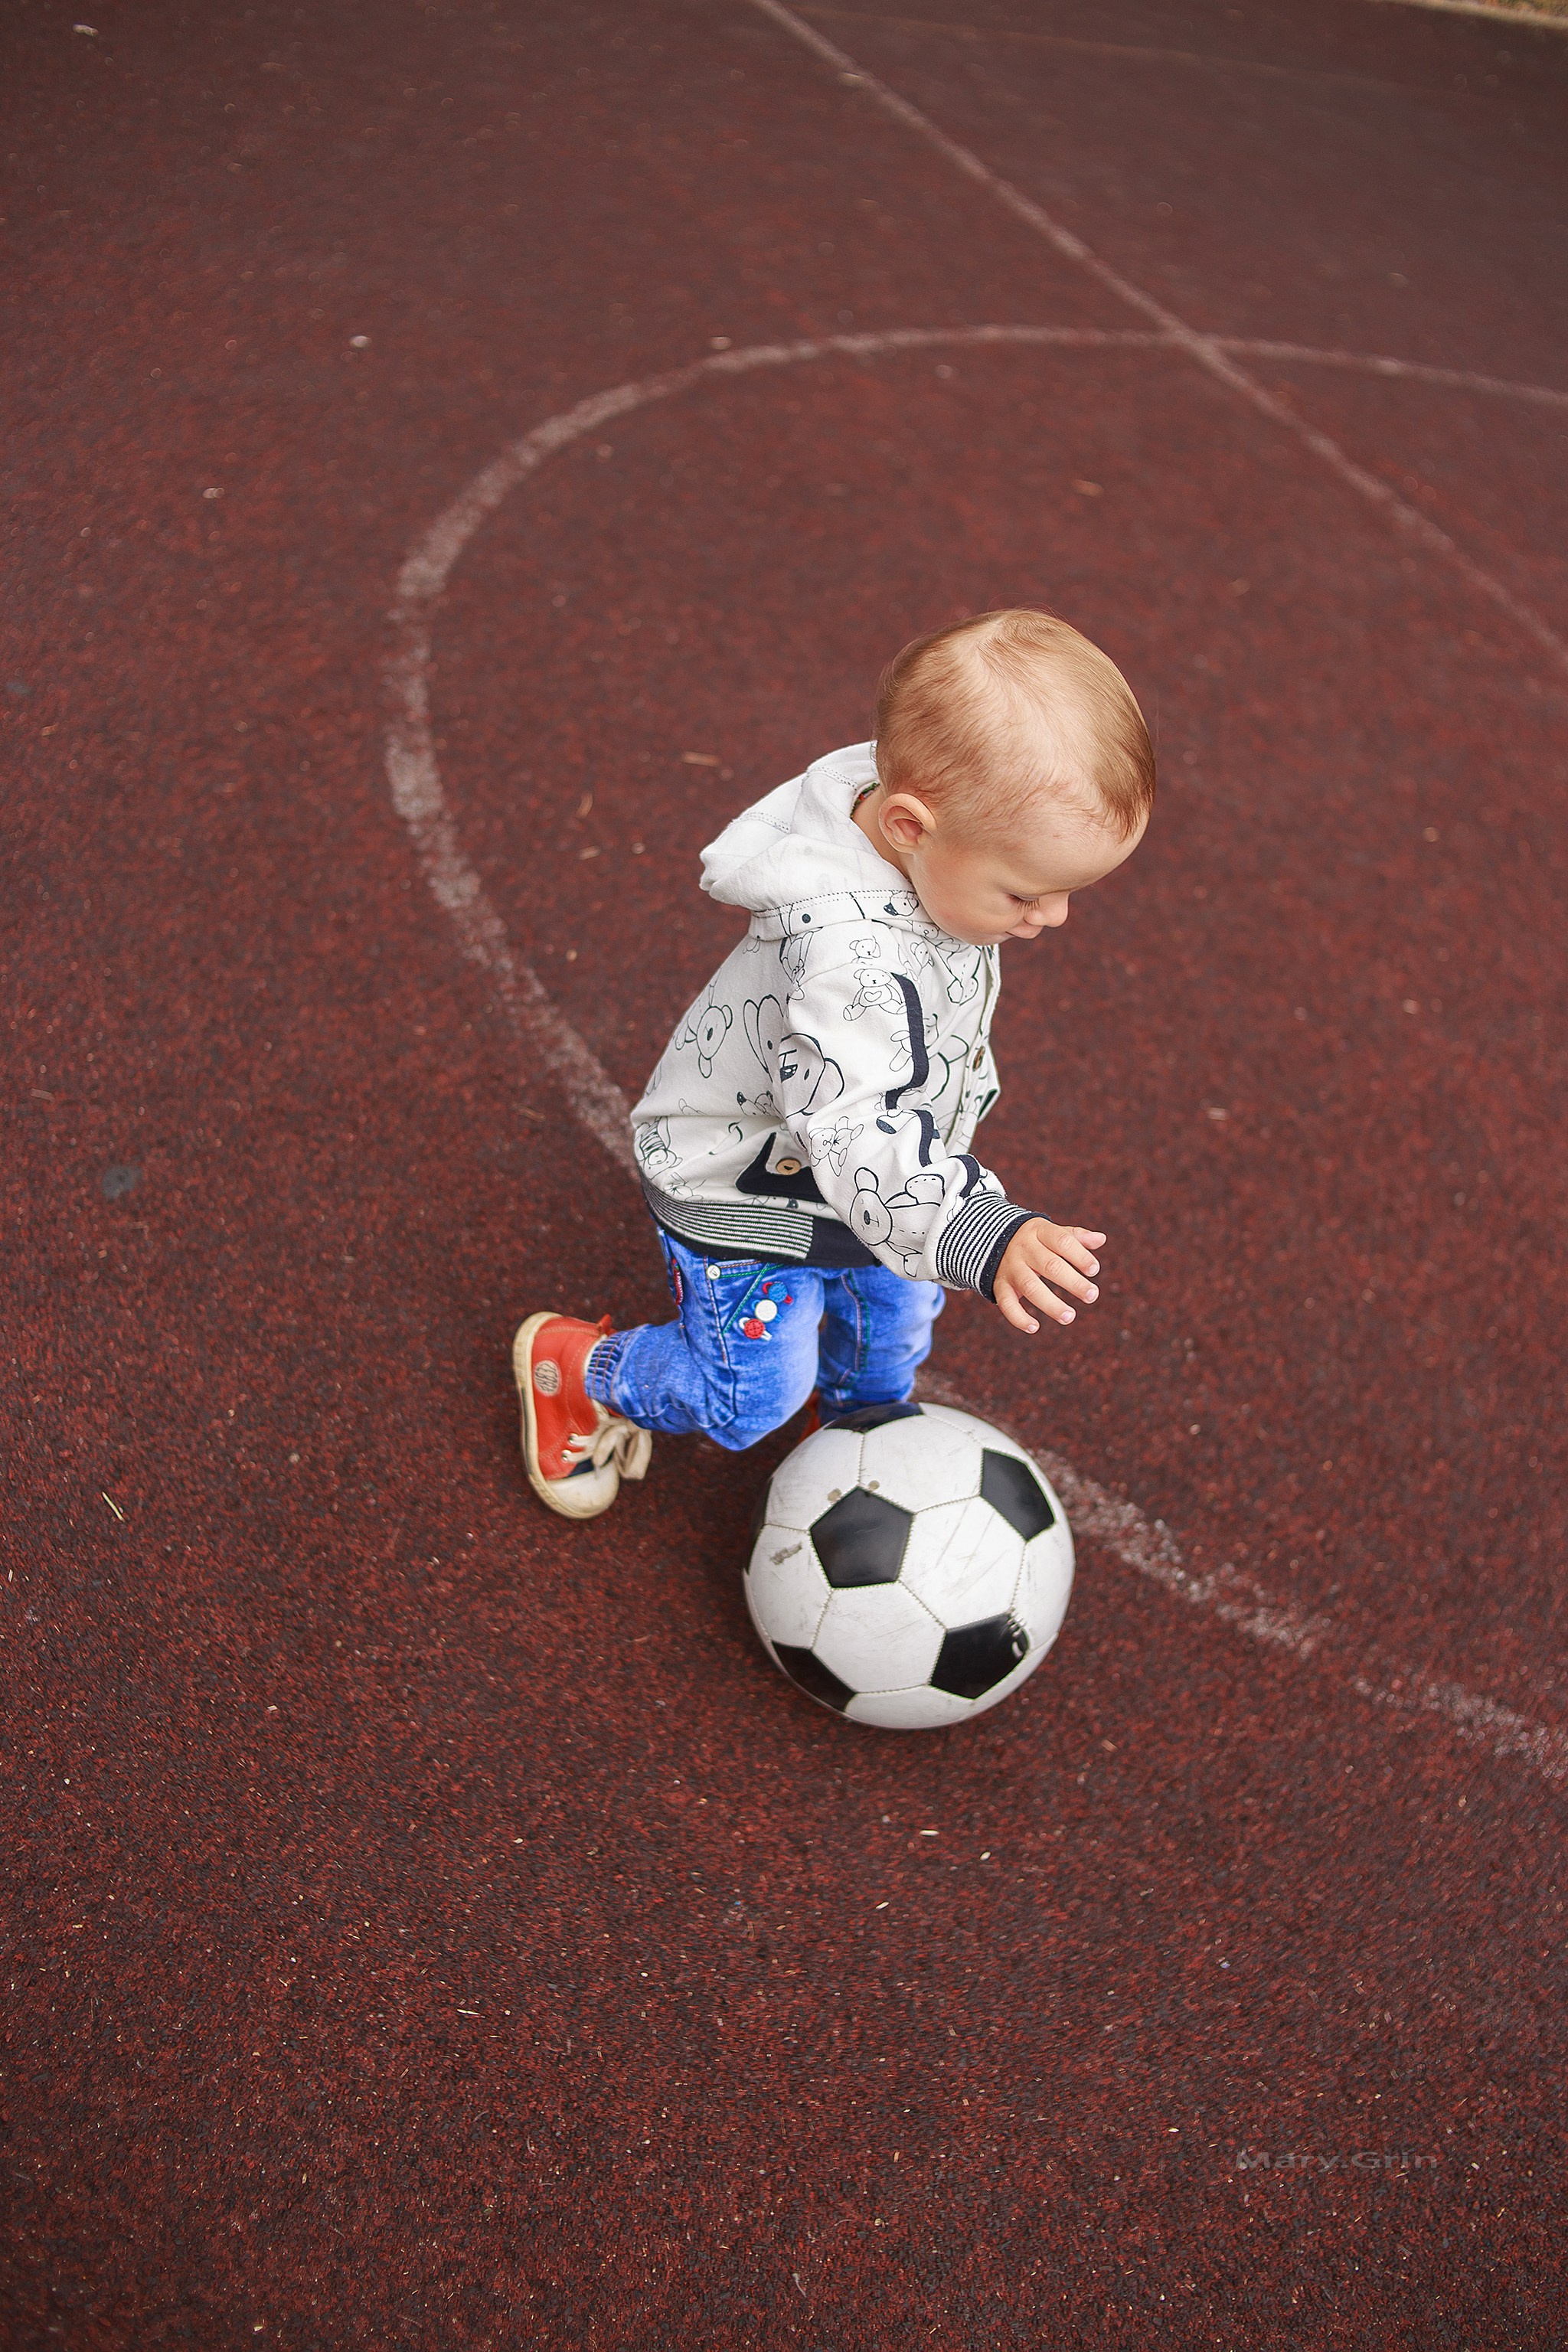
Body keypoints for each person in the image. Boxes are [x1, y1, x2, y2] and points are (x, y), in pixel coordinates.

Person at [514, 608, 1155, 1520]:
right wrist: (980, 1232)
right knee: (748, 1399)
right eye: (1025, 892)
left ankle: (857, 1443)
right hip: (748, 1192)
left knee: (884, 1345)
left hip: (877, 1177)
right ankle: (580, 1371)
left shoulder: (926, 820)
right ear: (907, 826)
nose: (1051, 917)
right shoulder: (851, 967)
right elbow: (854, 1127)